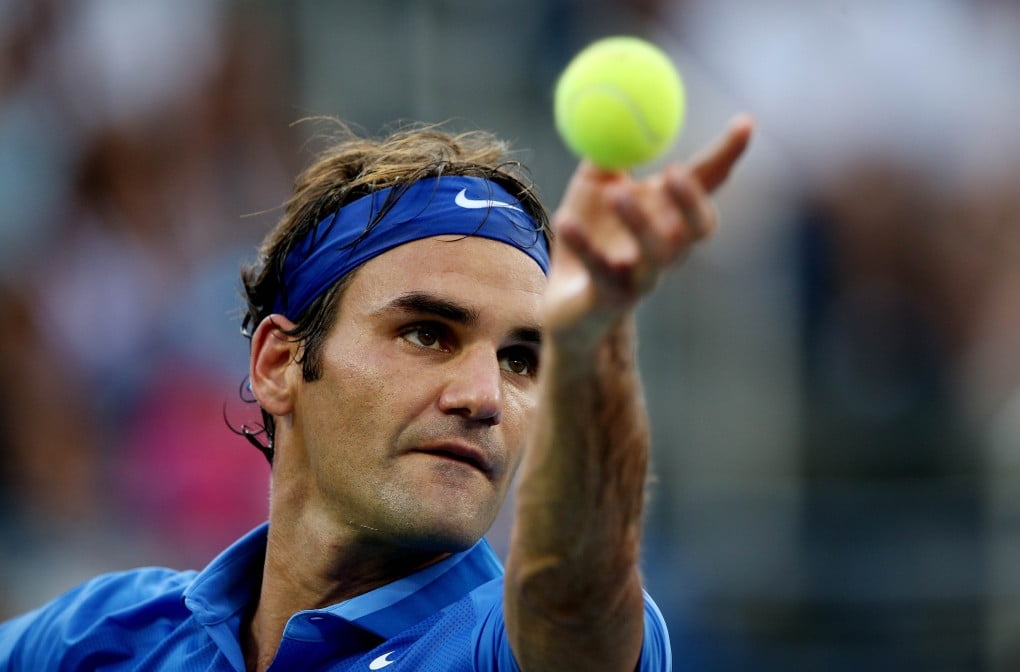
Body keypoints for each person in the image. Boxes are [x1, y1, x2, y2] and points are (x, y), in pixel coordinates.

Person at [0, 114, 753, 671]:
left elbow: (577, 611)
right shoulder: (102, 634)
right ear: (278, 364)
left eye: (522, 360)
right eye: (427, 334)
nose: (484, 396)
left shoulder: (499, 649)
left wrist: (594, 346)